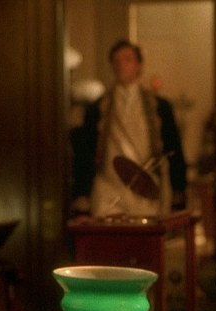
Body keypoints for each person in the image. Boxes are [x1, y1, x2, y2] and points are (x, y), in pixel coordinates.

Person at [70, 39, 187, 219]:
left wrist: (179, 190)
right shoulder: (97, 109)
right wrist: (82, 196)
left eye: (127, 59)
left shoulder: (160, 108)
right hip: (108, 191)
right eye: (116, 61)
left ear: (139, 66)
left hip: (146, 192)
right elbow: (85, 154)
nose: (121, 65)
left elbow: (173, 149)